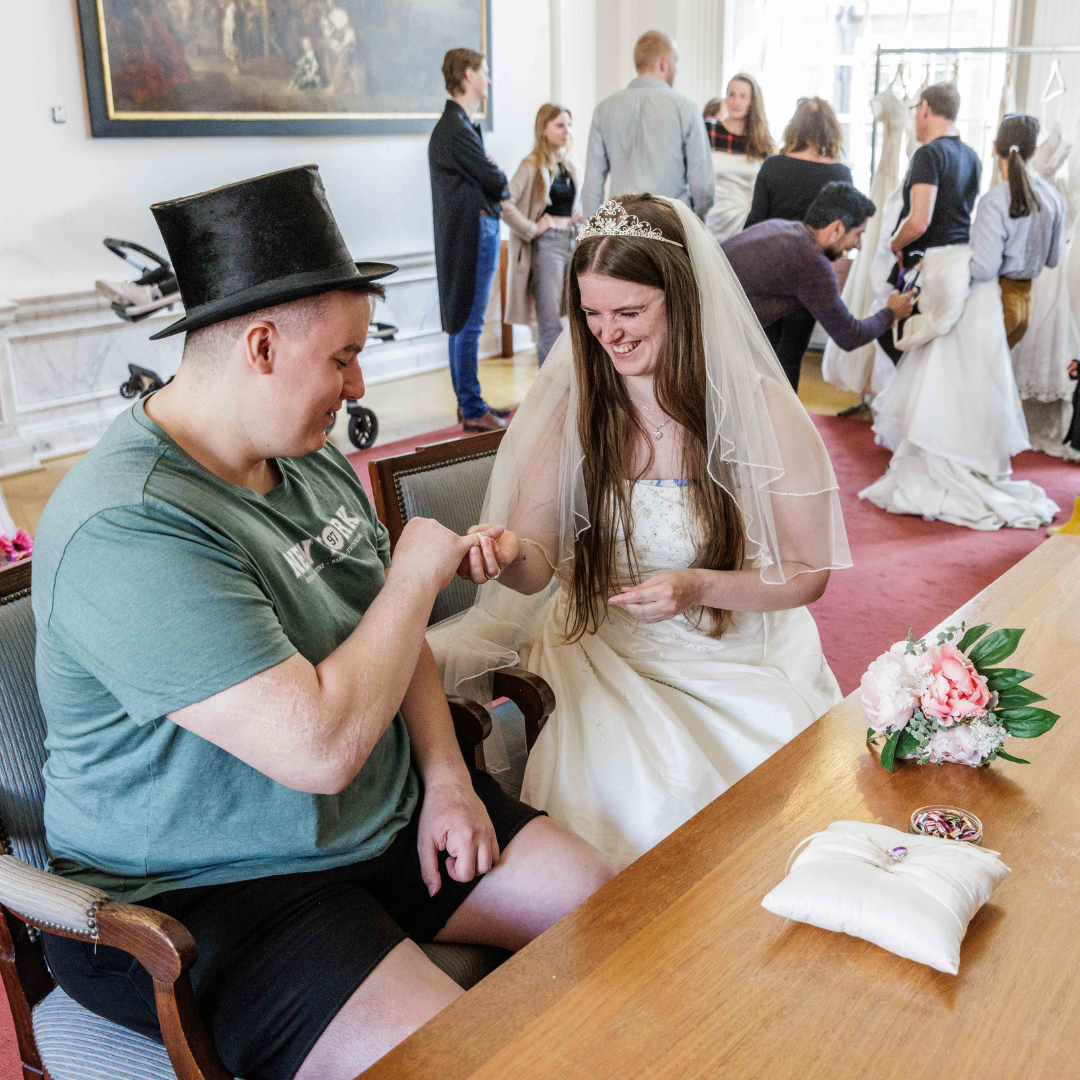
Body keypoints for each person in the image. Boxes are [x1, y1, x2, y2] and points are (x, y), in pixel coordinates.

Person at [33, 166, 612, 1080]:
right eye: (342, 357)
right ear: (261, 347)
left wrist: (449, 778)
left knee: (616, 913)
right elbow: (321, 748)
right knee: (469, 1061)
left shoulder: (306, 456)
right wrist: (415, 575)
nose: (358, 380)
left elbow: (382, 639)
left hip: (371, 817)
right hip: (211, 890)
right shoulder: (129, 524)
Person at [429, 195, 851, 872]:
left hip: (731, 645)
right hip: (605, 647)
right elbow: (537, 563)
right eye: (591, 316)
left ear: (681, 300)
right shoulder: (578, 406)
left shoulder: (761, 410)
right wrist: (508, 554)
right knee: (655, 796)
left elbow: (808, 573)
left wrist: (696, 586)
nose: (607, 335)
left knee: (766, 816)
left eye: (629, 313)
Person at [722, 182, 916, 390]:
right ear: (837, 228)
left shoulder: (782, 227)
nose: (858, 246)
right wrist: (891, 312)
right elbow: (850, 335)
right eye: (858, 234)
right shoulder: (810, 261)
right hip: (707, 335)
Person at [429, 47, 513, 432]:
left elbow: (492, 180)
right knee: (469, 323)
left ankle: (470, 402)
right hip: (473, 232)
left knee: (465, 320)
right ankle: (473, 408)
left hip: (473, 231)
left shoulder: (457, 126)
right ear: (468, 75)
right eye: (485, 72)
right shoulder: (455, 129)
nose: (489, 80)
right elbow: (497, 182)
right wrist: (494, 171)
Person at [743, 97, 853, 383]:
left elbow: (754, 223)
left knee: (763, 356)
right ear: (830, 130)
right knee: (791, 356)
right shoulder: (841, 174)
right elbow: (841, 236)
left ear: (795, 127)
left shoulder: (773, 166)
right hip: (811, 274)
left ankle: (758, 422)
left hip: (768, 272)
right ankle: (784, 424)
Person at [879, 82, 982, 363]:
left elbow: (919, 222)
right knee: (934, 345)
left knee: (894, 333)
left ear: (925, 108)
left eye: (916, 110)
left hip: (926, 263)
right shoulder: (972, 157)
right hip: (957, 261)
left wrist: (894, 242)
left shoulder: (928, 154)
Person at [581, 31, 713, 220]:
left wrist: (592, 233)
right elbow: (703, 186)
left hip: (621, 230)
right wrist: (694, 218)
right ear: (664, 63)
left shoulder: (604, 109)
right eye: (675, 63)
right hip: (670, 224)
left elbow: (592, 185)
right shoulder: (685, 108)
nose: (676, 69)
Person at [970, 114, 1064, 348]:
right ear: (1033, 151)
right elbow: (1053, 260)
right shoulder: (1053, 198)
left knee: (974, 379)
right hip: (1025, 307)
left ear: (994, 148)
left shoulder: (994, 201)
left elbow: (984, 269)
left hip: (997, 302)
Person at [502, 103, 583, 367]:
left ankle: (573, 390)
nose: (566, 131)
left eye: (569, 125)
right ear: (543, 130)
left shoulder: (570, 167)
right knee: (550, 323)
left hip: (573, 241)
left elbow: (571, 204)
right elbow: (504, 203)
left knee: (575, 319)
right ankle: (549, 394)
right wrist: (531, 228)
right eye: (560, 125)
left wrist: (577, 216)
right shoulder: (531, 165)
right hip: (547, 247)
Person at [703, 73, 773, 243]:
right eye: (731, 95)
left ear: (752, 102)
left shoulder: (761, 140)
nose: (736, 102)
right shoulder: (707, 130)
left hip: (745, 223)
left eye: (743, 96)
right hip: (710, 219)